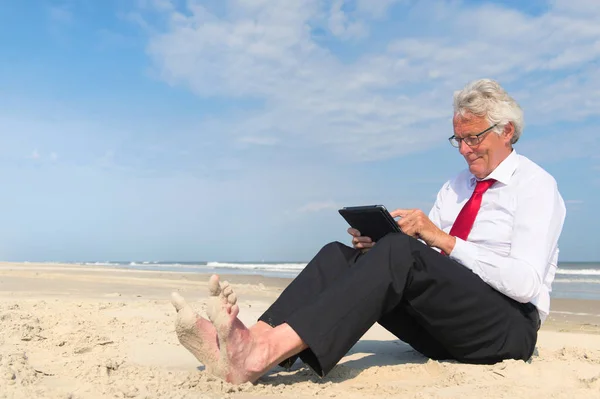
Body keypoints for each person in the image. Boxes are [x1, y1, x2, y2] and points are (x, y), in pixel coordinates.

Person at [170, 78, 566, 385]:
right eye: (458, 139)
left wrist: (436, 239)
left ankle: (261, 353)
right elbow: (435, 270)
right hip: (446, 328)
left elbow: (525, 284)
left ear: (507, 131)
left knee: (399, 251)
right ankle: (249, 339)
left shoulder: (535, 186)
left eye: (473, 137)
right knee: (341, 254)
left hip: (507, 331)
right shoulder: (456, 186)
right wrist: (378, 250)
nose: (464, 149)